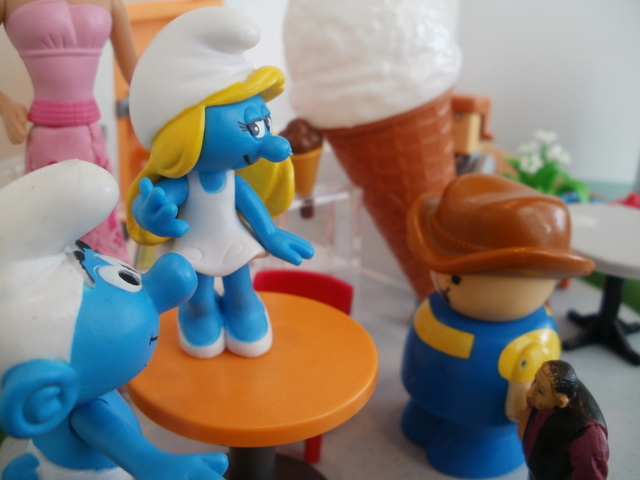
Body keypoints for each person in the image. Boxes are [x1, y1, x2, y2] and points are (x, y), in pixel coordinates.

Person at [0, 160, 228, 480]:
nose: (172, 277)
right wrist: (162, 465)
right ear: (46, 395)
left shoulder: (62, 400)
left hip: (42, 458)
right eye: (127, 279)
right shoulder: (87, 411)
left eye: (83, 251)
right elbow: (131, 452)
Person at [126, 7, 313, 359]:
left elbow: (249, 205)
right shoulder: (187, 182)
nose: (266, 138)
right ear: (187, 134)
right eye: (251, 127)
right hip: (194, 249)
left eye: (264, 124)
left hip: (233, 242)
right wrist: (149, 215)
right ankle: (199, 312)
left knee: (241, 285)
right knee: (198, 292)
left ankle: (244, 307)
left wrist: (270, 235)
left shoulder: (233, 180)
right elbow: (159, 198)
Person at [400, 173, 595, 478]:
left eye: (460, 275)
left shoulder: (534, 336)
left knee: (472, 447)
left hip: (486, 426)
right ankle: (427, 417)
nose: (448, 284)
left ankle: (479, 445)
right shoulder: (436, 307)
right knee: (418, 420)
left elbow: (532, 396)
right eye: (444, 269)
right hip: (424, 393)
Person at [0, 0, 136, 262]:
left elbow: (138, 76)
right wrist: (5, 106)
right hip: (47, 142)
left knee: (101, 231)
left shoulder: (112, 3)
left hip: (92, 140)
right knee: (54, 234)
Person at [520, 360, 609, 480]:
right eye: (535, 380)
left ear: (561, 401)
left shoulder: (587, 434)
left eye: (540, 390)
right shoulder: (544, 396)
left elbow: (588, 475)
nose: (529, 393)